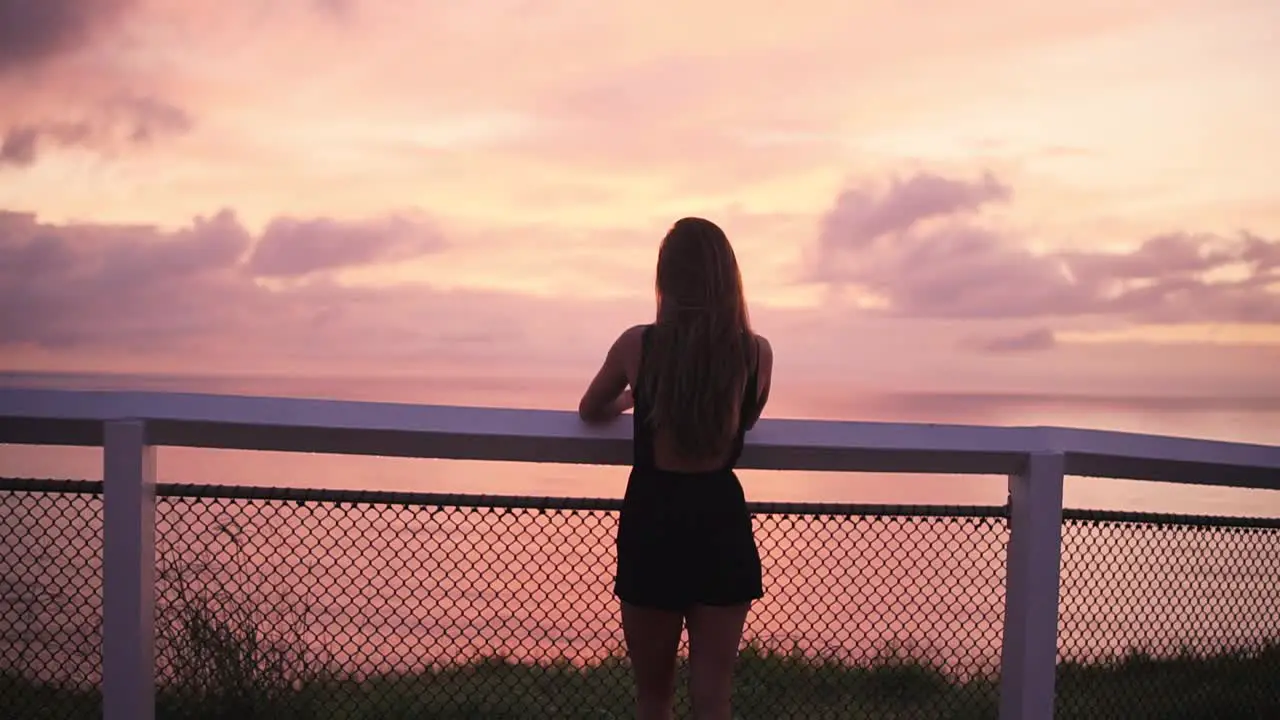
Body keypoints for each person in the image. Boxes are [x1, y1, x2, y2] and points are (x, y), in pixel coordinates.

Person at [578, 217, 773, 720]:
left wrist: (634, 397)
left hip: (654, 519)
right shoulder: (754, 353)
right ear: (727, 277)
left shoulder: (637, 345)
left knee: (654, 695)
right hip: (719, 520)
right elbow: (745, 418)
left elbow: (590, 408)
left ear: (666, 279)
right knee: (713, 696)